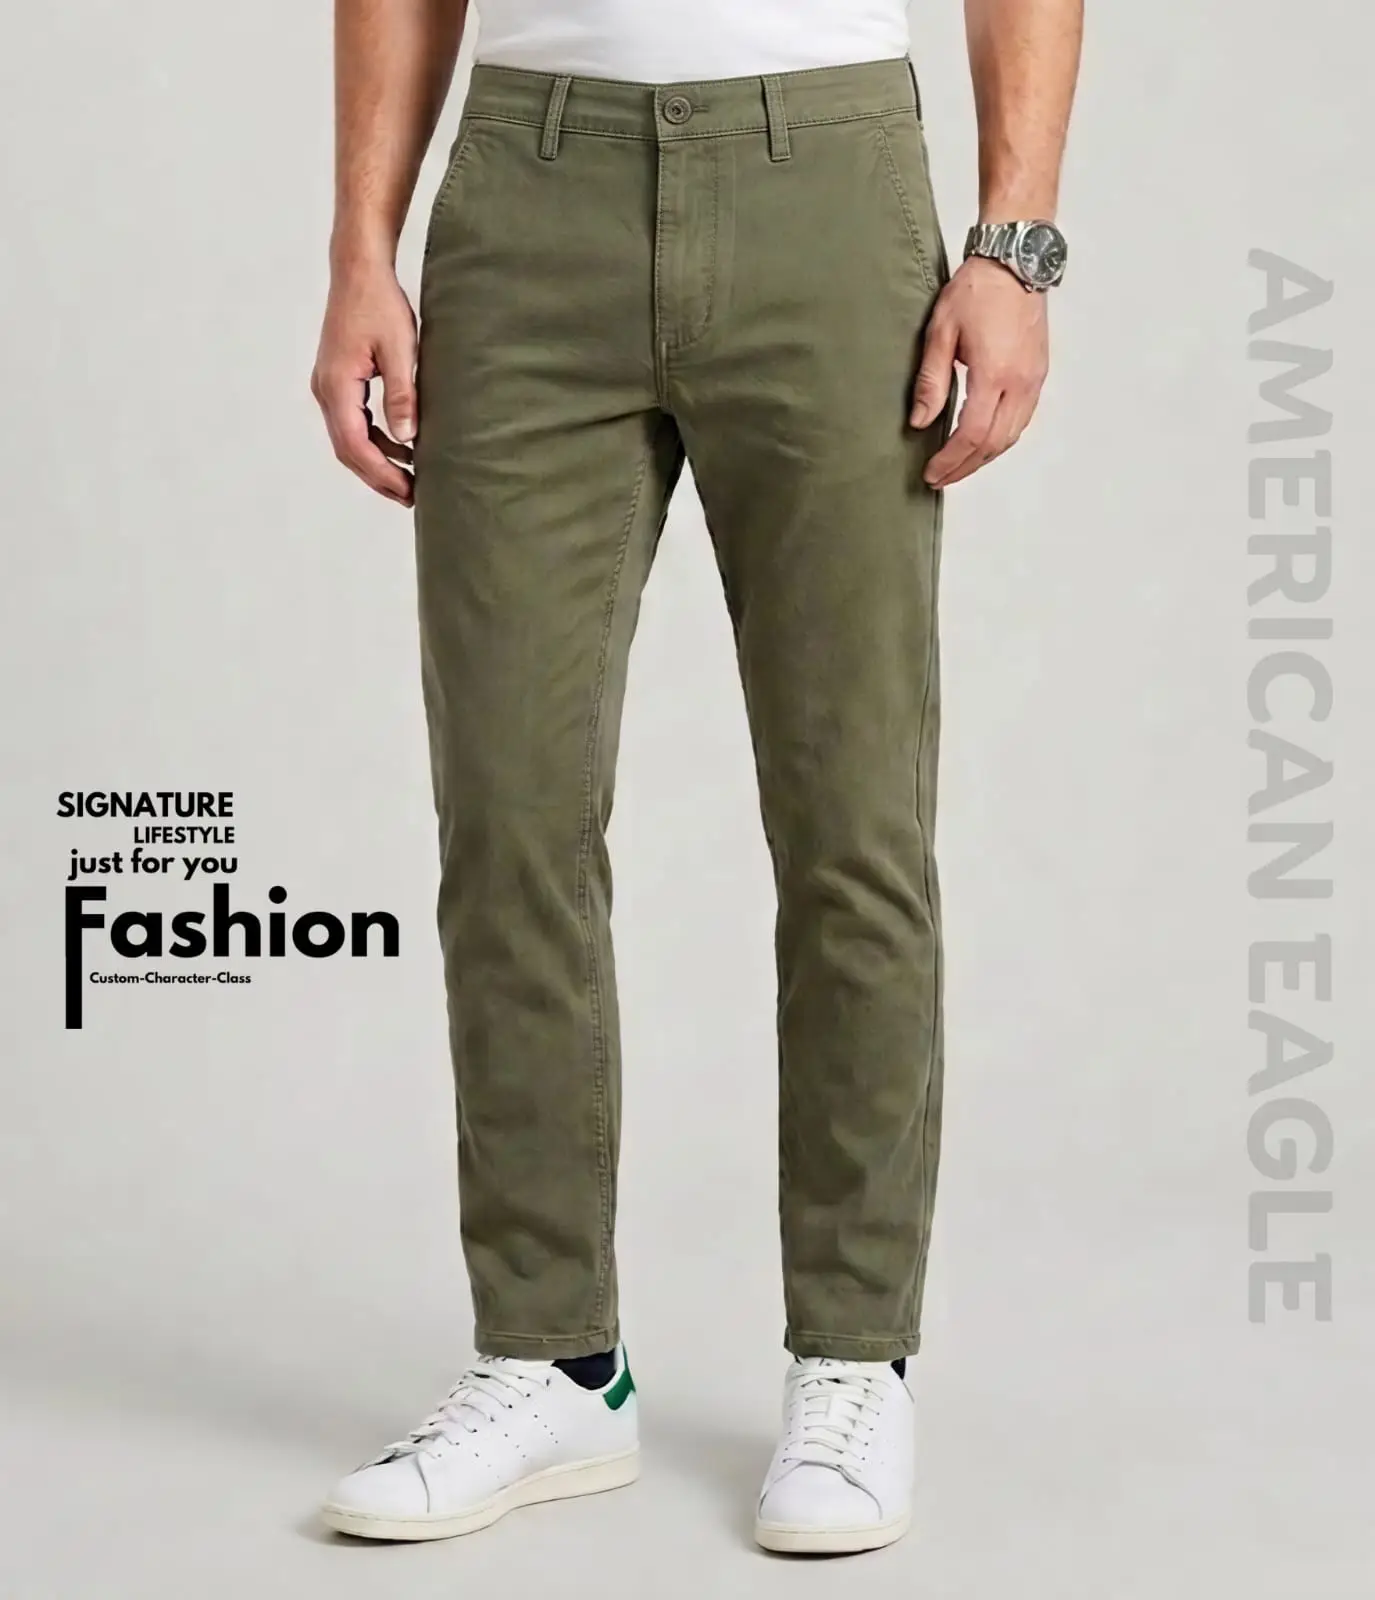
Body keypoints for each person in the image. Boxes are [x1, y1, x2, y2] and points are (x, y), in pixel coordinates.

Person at [310, 0, 1079, 1557]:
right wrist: (358, 253)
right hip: (527, 198)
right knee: (507, 815)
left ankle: (853, 1356)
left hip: (826, 182)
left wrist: (1012, 248)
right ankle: (551, 1361)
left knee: (852, 821)